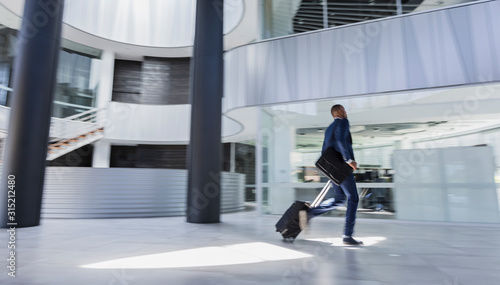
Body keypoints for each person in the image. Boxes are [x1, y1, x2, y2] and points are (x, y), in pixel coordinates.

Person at [321, 104, 363, 245]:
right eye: (344, 110)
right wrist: (349, 161)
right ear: (339, 111)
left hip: (332, 168)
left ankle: (309, 213)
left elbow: (324, 151)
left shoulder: (329, 129)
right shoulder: (343, 122)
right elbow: (340, 141)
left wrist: (329, 170)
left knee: (339, 198)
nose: (346, 112)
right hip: (342, 168)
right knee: (353, 198)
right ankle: (347, 235)